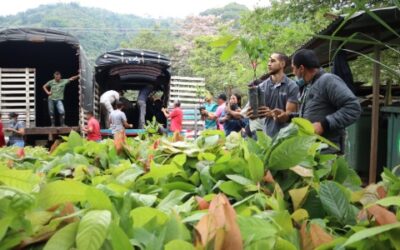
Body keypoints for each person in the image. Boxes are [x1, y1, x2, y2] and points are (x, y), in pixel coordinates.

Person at [273, 49, 362, 154]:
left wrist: (324, 125)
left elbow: (353, 108)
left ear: (301, 68)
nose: (293, 73)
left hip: (328, 151)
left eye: (293, 68)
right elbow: (310, 115)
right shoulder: (309, 86)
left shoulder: (328, 81)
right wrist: (288, 117)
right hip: (313, 149)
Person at [247, 52, 299, 137]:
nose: (269, 64)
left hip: (287, 136)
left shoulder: (292, 86)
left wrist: (271, 113)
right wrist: (251, 114)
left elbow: (290, 115)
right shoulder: (261, 87)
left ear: (282, 64)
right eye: (268, 61)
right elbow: (256, 114)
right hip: (268, 135)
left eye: (272, 61)